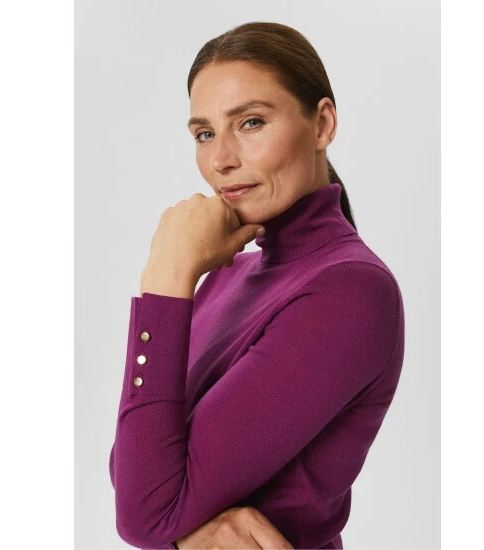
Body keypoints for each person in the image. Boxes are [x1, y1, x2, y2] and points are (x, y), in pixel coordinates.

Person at [109, 21, 405, 550]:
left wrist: (166, 278)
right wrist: (195, 535)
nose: (220, 160)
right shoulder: (229, 272)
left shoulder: (350, 291)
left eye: (250, 122)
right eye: (204, 133)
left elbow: (144, 510)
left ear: (322, 124)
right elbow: (131, 469)